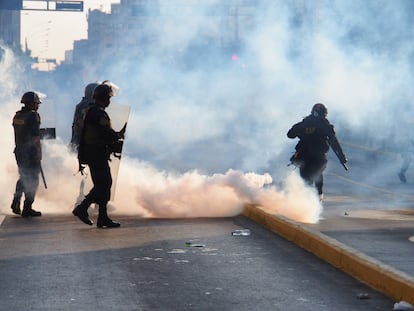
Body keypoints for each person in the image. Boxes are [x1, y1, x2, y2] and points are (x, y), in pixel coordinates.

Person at [72, 81, 125, 228]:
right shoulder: (97, 113)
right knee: (104, 184)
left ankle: (102, 217)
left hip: (95, 153)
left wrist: (118, 134)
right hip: (96, 153)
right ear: (102, 98)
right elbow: (105, 132)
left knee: (104, 185)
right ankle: (82, 208)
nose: (109, 101)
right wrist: (117, 137)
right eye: (108, 98)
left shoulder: (92, 111)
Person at [287, 103, 348, 200]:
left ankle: (316, 195)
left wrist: (342, 157)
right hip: (307, 155)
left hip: (314, 156)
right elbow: (290, 134)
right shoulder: (310, 124)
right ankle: (311, 199)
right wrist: (299, 129)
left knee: (315, 174)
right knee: (310, 177)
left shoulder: (321, 125)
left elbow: (333, 142)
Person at [11, 91, 43, 217]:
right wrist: (39, 153)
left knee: (23, 176)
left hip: (19, 151)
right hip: (30, 153)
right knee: (33, 179)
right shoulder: (33, 116)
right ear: (32, 104)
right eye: (36, 103)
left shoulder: (17, 116)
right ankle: (27, 207)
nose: (38, 106)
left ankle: (16, 200)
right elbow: (35, 137)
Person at [70, 82, 100, 152]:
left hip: (80, 143)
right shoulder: (86, 105)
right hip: (81, 144)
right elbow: (81, 122)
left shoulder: (84, 104)